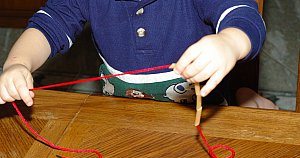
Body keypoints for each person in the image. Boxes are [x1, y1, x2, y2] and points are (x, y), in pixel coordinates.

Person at [0, 0, 277, 109]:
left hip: (205, 115)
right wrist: (17, 63)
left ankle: (246, 98)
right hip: (121, 114)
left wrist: (229, 42)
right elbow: (50, 23)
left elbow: (244, 15)